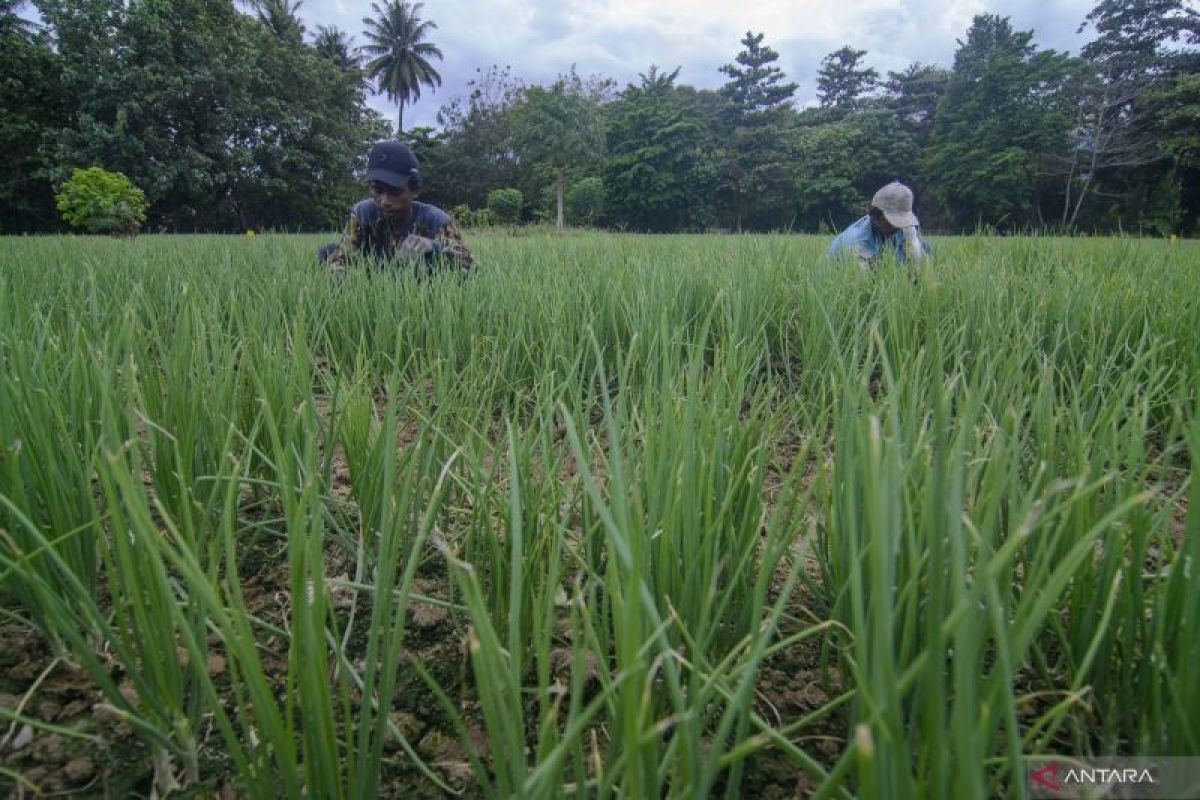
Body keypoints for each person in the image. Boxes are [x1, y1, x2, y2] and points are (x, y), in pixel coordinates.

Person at [318, 141, 475, 274]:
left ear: (414, 191)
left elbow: (470, 266)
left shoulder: (436, 220)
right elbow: (343, 256)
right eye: (378, 191)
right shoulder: (363, 213)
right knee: (328, 253)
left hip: (417, 289)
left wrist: (433, 246)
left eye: (395, 192)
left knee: (433, 257)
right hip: (373, 281)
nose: (384, 201)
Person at [826, 181, 929, 267]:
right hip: (852, 273)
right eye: (894, 222)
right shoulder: (858, 244)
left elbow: (919, 264)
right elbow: (864, 287)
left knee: (924, 247)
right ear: (877, 217)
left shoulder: (904, 229)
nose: (898, 227)